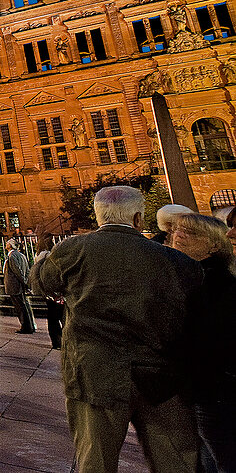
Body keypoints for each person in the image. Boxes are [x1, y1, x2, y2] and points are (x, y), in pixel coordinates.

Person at [31, 185, 203, 473]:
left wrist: (41, 254)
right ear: (138, 219)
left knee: (95, 459)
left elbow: (41, 285)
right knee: (175, 460)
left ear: (100, 217)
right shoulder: (177, 261)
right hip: (162, 377)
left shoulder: (74, 249)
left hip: (95, 373)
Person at [171, 212, 236, 472]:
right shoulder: (188, 274)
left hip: (213, 389)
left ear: (214, 245)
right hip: (202, 387)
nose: (179, 235)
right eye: (177, 229)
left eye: (191, 232)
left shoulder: (213, 281)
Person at [33, 235, 64, 350]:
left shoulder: (40, 255)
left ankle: (57, 341)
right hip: (55, 289)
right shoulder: (48, 255)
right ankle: (61, 340)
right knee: (60, 315)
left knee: (53, 317)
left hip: (48, 289)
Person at [3, 239, 35, 334]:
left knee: (20, 308)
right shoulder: (21, 255)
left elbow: (17, 271)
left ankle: (26, 327)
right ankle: (30, 326)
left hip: (15, 286)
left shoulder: (12, 256)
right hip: (19, 285)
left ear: (11, 245)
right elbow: (27, 270)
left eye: (7, 242)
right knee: (24, 306)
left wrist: (24, 282)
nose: (6, 244)